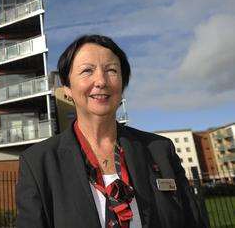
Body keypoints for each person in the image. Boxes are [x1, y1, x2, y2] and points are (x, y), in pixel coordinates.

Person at [16, 34, 208, 228]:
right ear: (67, 88)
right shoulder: (38, 163)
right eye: (87, 71)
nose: (101, 80)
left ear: (122, 85)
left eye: (112, 70)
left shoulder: (160, 150)